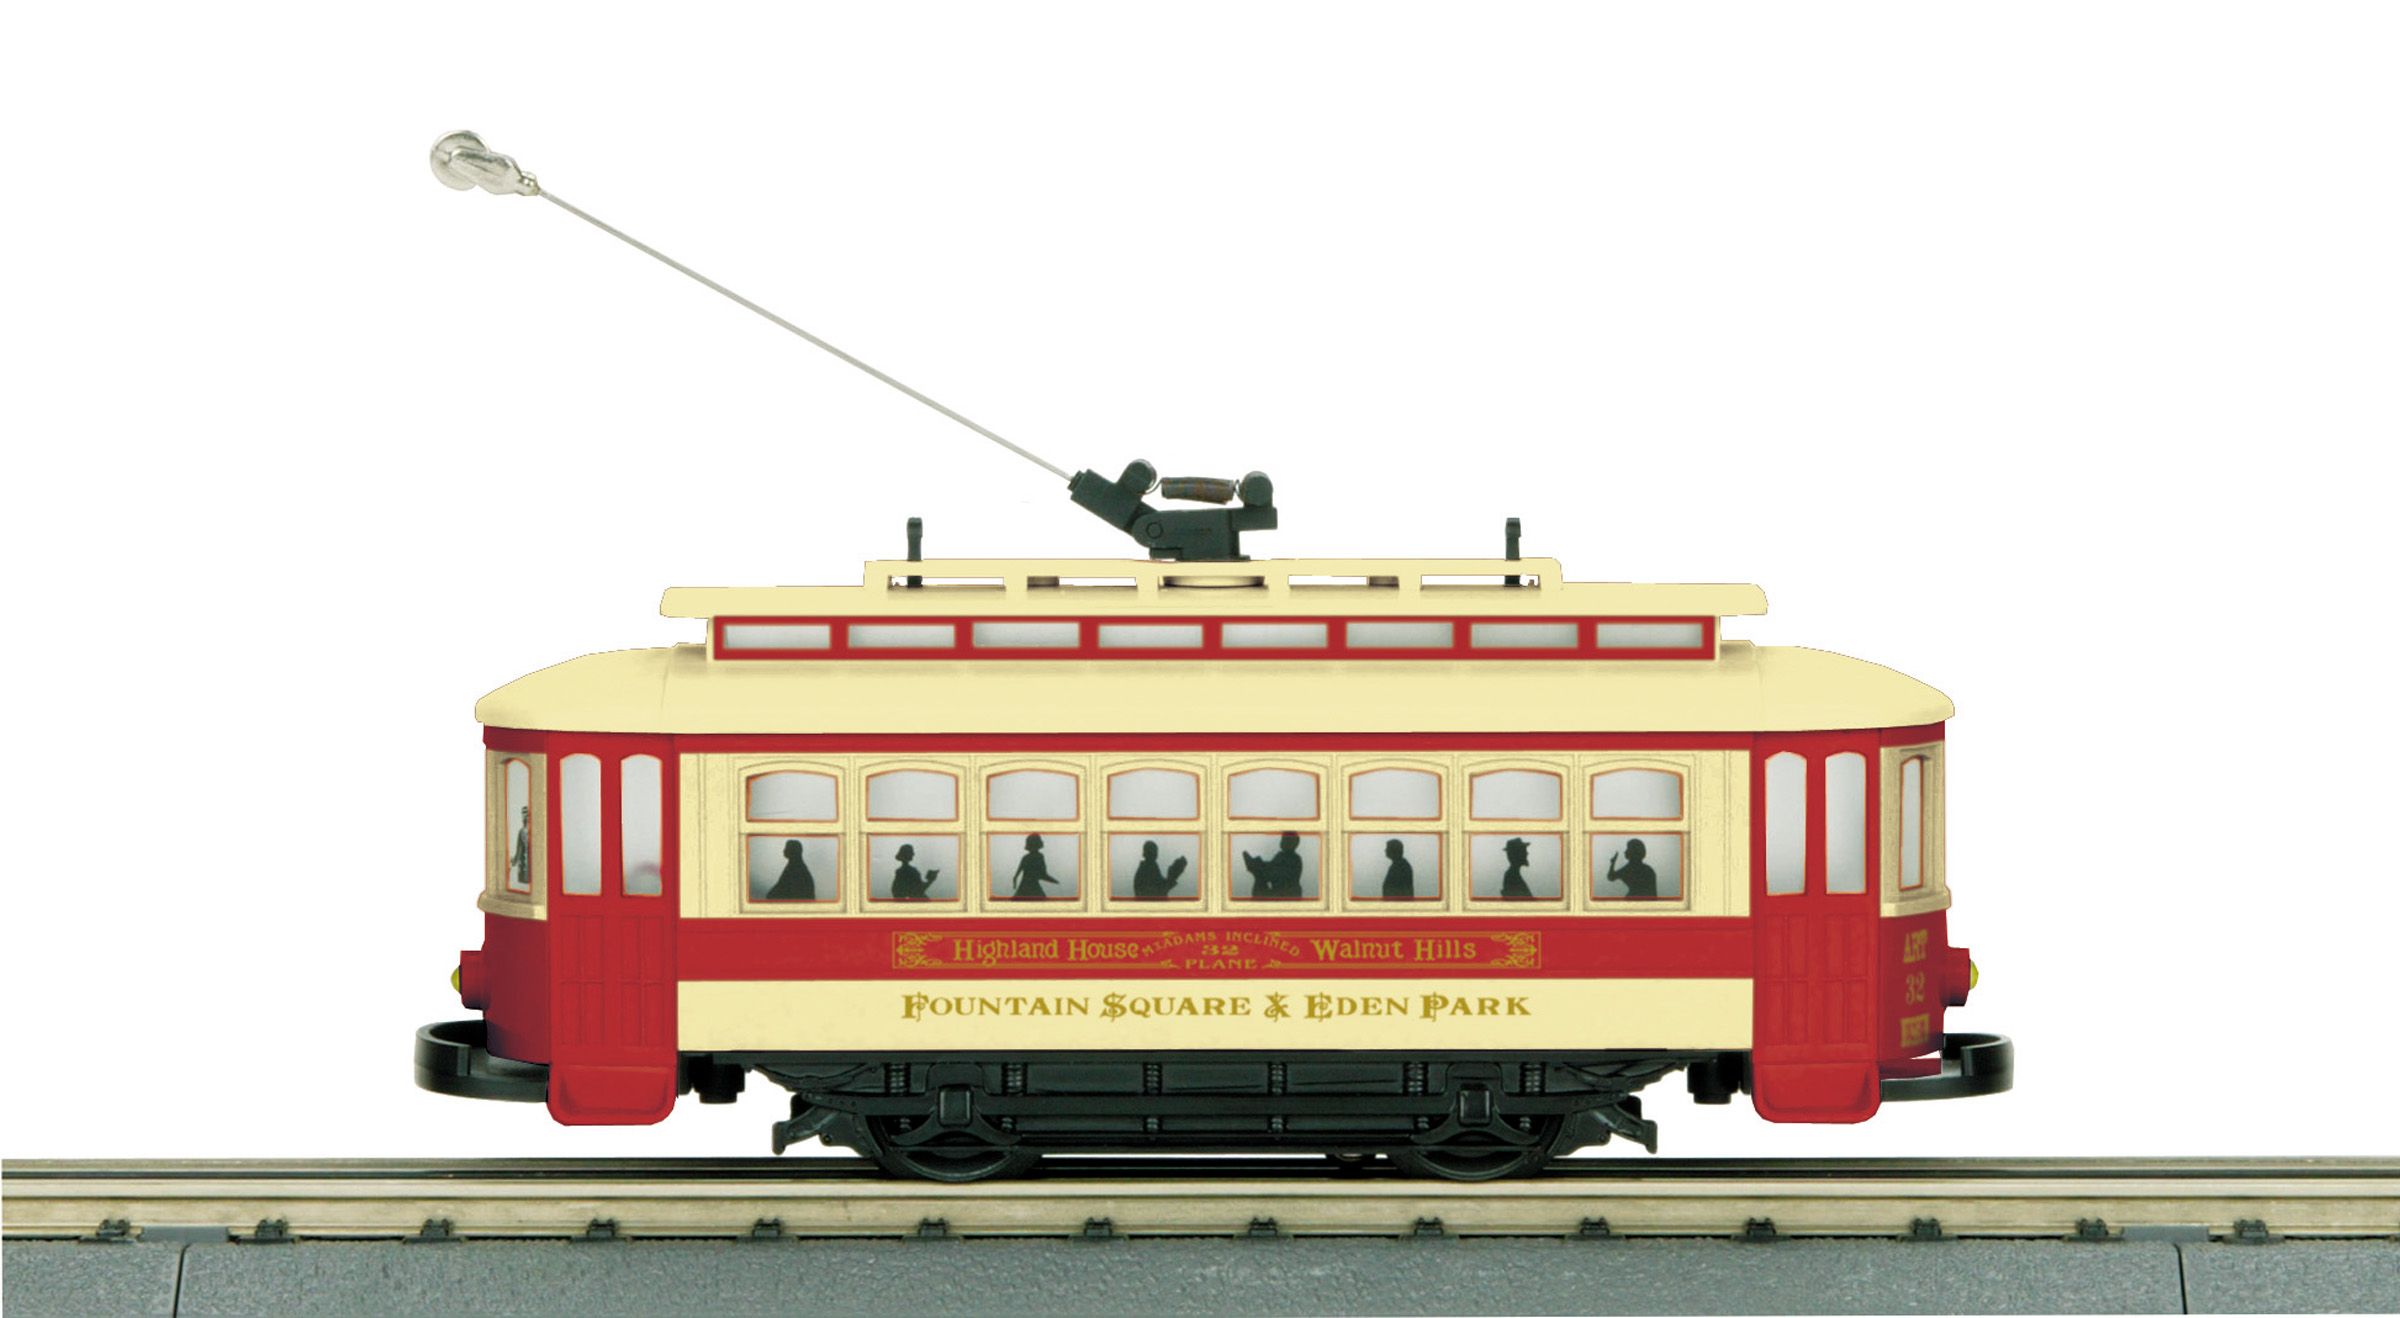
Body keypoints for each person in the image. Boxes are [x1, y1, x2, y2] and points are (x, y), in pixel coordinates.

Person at [1242, 832, 1306, 899]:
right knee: (1259, 875)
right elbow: (1272, 866)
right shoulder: (1281, 856)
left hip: (1285, 894)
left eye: (1285, 839)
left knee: (1260, 876)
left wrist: (1259, 866)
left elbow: (1275, 872)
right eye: (1283, 839)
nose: (1282, 841)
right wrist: (1260, 864)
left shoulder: (1294, 859)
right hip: (1278, 892)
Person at [1007, 834, 1060, 901]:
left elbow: (1015, 876)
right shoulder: (1039, 857)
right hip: (1034, 888)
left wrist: (1015, 883)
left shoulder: (1025, 858)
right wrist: (1055, 881)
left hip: (1023, 888)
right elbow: (1043, 875)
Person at [508, 806, 530, 890]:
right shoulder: (521, 831)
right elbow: (519, 851)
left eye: (527, 813)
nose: (525, 816)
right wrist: (512, 861)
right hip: (525, 870)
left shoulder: (534, 831)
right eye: (523, 813)